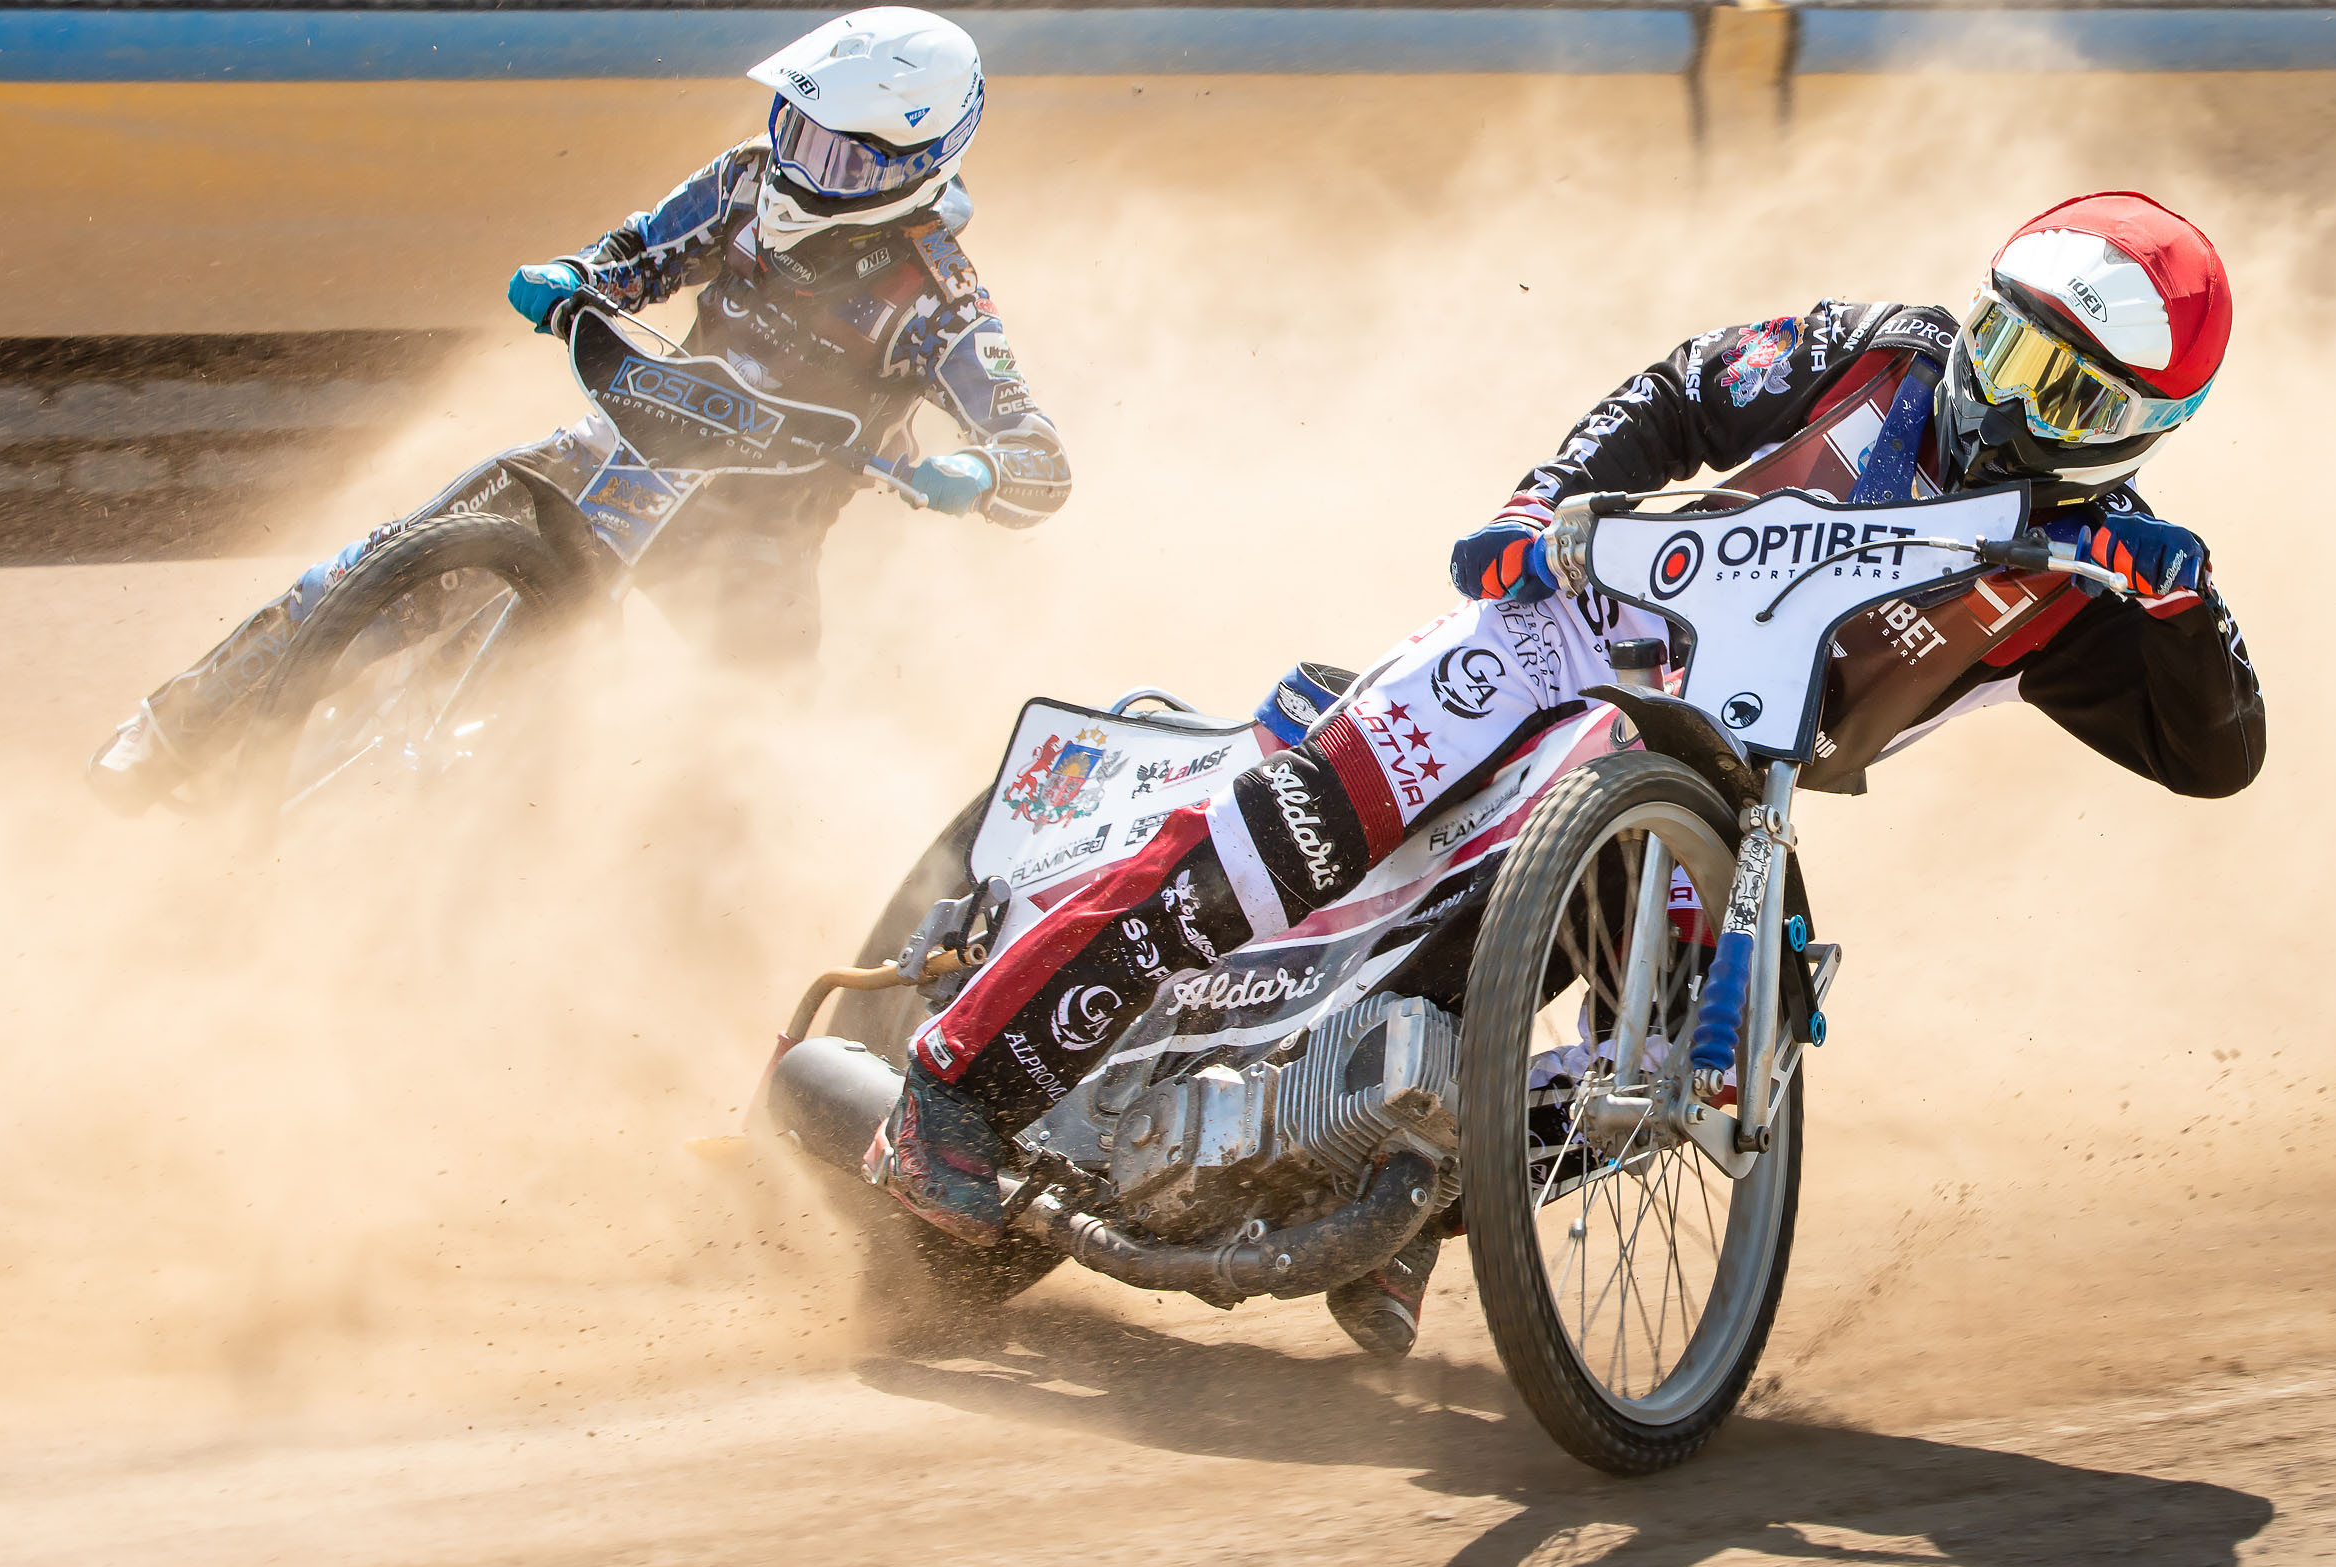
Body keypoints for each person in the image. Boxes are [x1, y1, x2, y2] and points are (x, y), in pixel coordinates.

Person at [872, 191, 2264, 1359]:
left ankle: (1404, 1189)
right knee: (1285, 839)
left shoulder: (2093, 582)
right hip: (1567, 633)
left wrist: (2178, 613)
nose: (2004, 391)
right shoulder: (1875, 353)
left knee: (1708, 1060)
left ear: (2142, 430)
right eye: (2006, 341)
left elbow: (2219, 759)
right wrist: (1541, 504)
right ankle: (957, 1087)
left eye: (2062, 388)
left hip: (1719, 781)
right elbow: (1680, 390)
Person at [89, 6, 1069, 813]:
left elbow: (1037, 459)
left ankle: (671, 952)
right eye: (794, 129)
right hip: (634, 437)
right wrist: (572, 276)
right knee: (381, 560)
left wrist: (977, 473)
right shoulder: (745, 177)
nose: (805, 170)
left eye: (843, 159)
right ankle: (170, 738)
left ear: (917, 161)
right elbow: (639, 252)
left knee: (753, 767)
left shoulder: (940, 302)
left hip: (754, 540)